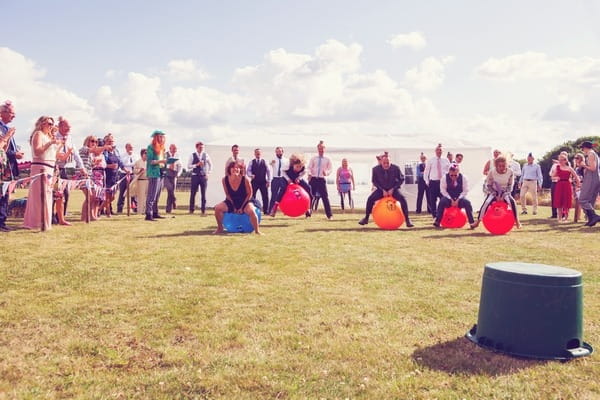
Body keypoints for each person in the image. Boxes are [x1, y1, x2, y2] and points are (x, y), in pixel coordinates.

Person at [22, 116, 67, 230]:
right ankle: (36, 222)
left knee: (47, 195)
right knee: (39, 196)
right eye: (48, 123)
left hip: (50, 167)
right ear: (41, 124)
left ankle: (45, 221)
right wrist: (51, 143)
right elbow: (37, 151)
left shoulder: (48, 136)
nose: (51, 126)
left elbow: (53, 154)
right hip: (41, 167)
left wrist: (60, 144)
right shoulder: (38, 134)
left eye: (52, 124)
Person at [358, 153, 414, 228]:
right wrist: (382, 190)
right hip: (381, 190)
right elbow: (374, 181)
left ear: (390, 162)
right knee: (370, 199)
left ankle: (407, 220)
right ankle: (366, 218)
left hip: (393, 189)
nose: (386, 165)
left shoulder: (396, 168)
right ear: (381, 162)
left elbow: (401, 179)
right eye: (384, 163)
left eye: (388, 163)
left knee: (403, 199)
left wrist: (393, 188)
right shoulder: (375, 169)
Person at [213, 161, 261, 235]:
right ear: (229, 169)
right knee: (217, 208)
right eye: (233, 167)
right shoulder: (224, 180)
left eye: (238, 168)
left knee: (251, 211)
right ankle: (220, 228)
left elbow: (250, 194)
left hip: (245, 200)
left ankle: (257, 231)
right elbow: (227, 194)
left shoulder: (245, 179)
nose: (235, 169)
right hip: (232, 200)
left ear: (240, 170)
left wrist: (242, 208)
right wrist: (234, 207)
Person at [473, 155, 521, 229]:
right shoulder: (492, 172)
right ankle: (478, 222)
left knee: (512, 202)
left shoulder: (510, 172)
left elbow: (510, 186)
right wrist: (495, 195)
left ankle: (517, 222)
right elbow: (488, 185)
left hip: (505, 192)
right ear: (496, 165)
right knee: (486, 203)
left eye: (503, 166)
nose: (501, 168)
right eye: (500, 166)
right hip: (494, 191)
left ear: (506, 165)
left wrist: (503, 196)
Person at [54, 117, 86, 220]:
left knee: (67, 192)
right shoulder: (54, 136)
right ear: (60, 126)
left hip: (69, 168)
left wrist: (82, 167)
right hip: (57, 168)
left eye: (69, 127)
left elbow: (75, 153)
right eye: (66, 126)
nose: (68, 129)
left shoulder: (70, 138)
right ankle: (52, 216)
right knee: (56, 192)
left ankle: (62, 215)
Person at [0, 100, 23, 232]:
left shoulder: (7, 128)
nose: (14, 116)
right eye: (12, 113)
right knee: (2, 194)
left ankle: (2, 221)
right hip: (3, 165)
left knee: (5, 194)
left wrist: (16, 151)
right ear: (2, 113)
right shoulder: (2, 128)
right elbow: (2, 147)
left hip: (9, 166)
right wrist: (14, 154)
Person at [433, 164, 477, 229]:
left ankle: (472, 222)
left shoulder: (464, 178)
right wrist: (451, 199)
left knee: (467, 203)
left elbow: (465, 190)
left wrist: (458, 200)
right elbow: (443, 191)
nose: (453, 177)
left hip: (460, 197)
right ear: (449, 172)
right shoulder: (444, 178)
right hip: (449, 198)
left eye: (455, 175)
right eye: (451, 175)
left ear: (458, 172)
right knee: (442, 202)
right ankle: (437, 221)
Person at [270, 153, 312, 218]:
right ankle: (275, 207)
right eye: (297, 166)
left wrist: (299, 178)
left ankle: (308, 209)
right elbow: (282, 172)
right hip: (286, 177)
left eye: (300, 166)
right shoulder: (287, 165)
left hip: (296, 177)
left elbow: (304, 172)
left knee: (308, 188)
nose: (298, 168)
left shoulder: (303, 167)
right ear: (293, 165)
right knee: (283, 188)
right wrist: (288, 179)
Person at [145, 130, 168, 221]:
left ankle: (155, 212)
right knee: (152, 194)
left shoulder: (162, 148)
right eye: (160, 136)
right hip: (154, 173)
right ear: (156, 137)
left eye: (163, 136)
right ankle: (148, 214)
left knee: (157, 194)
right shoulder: (150, 147)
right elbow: (151, 161)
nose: (162, 138)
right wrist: (162, 161)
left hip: (161, 172)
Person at [576, 141, 600, 226]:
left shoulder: (591, 154)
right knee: (590, 200)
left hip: (591, 178)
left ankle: (594, 216)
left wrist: (583, 165)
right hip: (595, 178)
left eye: (582, 148)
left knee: (582, 199)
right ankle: (591, 220)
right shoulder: (594, 154)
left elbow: (593, 168)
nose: (582, 150)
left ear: (585, 147)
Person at [308, 141, 333, 219]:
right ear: (317, 149)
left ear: (324, 149)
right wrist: (309, 174)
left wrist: (327, 173)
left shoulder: (327, 159)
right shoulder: (313, 158)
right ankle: (308, 214)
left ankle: (329, 215)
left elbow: (330, 169)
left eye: (322, 148)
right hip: (313, 179)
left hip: (321, 180)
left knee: (325, 197)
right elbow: (309, 167)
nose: (321, 150)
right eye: (319, 148)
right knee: (310, 197)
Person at [424, 143, 450, 218]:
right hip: (433, 182)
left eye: (440, 150)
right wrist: (427, 181)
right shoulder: (431, 160)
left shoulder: (446, 160)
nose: (439, 152)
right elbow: (426, 171)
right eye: (437, 150)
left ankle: (441, 214)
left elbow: (449, 171)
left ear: (442, 151)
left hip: (443, 182)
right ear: (435, 151)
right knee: (433, 200)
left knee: (443, 199)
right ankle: (434, 216)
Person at [552, 153, 580, 222]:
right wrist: (556, 177)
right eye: (559, 160)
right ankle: (560, 218)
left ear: (565, 160)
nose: (560, 161)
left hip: (567, 185)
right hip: (559, 185)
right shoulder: (557, 167)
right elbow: (552, 176)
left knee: (566, 201)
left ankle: (566, 218)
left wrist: (578, 185)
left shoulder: (569, 168)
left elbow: (576, 177)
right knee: (559, 201)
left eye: (562, 160)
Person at [101, 133, 122, 217]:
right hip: (106, 175)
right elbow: (101, 164)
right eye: (109, 141)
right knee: (107, 196)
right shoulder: (103, 152)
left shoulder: (116, 151)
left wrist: (125, 169)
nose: (111, 143)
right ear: (105, 142)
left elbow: (120, 162)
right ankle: (108, 212)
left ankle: (99, 209)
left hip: (115, 176)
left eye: (112, 141)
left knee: (112, 197)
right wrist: (110, 166)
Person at [188, 141, 212, 215]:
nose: (201, 148)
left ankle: (203, 209)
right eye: (200, 147)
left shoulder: (206, 155)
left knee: (203, 194)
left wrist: (208, 173)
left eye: (202, 147)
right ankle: (191, 209)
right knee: (193, 193)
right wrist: (196, 165)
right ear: (196, 147)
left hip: (203, 176)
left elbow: (211, 165)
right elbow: (188, 166)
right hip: (195, 175)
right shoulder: (192, 155)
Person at [247, 148, 271, 214]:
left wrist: (269, 181)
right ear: (254, 154)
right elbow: (248, 171)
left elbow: (269, 172)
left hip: (263, 181)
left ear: (261, 153)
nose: (258, 154)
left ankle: (266, 211)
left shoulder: (265, 161)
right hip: (254, 182)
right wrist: (250, 175)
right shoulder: (251, 162)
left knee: (265, 196)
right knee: (252, 196)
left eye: (259, 153)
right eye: (256, 153)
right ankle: (252, 210)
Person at [268, 146, 288, 214]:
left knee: (284, 195)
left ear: (282, 152)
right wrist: (272, 162)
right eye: (277, 151)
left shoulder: (286, 160)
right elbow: (270, 163)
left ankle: (285, 211)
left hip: (283, 179)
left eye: (280, 151)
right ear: (275, 152)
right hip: (275, 179)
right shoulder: (273, 159)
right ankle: (270, 210)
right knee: (274, 195)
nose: (278, 153)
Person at [117, 143, 135, 213]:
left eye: (132, 147)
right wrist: (130, 164)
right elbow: (123, 164)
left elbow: (136, 164)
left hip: (132, 175)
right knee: (122, 193)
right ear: (126, 148)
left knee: (133, 192)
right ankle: (119, 209)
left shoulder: (135, 156)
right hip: (124, 175)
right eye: (129, 147)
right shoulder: (122, 156)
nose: (131, 149)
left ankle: (134, 208)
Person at [164, 143, 182, 214]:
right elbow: (163, 164)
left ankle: (168, 209)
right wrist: (169, 166)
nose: (175, 150)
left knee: (170, 192)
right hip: (166, 174)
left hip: (174, 174)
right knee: (169, 188)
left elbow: (180, 165)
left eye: (176, 149)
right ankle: (174, 199)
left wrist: (178, 174)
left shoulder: (178, 155)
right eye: (173, 149)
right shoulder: (165, 154)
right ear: (170, 148)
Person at [132, 149, 148, 215]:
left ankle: (146, 210)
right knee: (141, 196)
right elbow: (134, 170)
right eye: (145, 153)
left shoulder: (149, 162)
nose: (146, 155)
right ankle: (140, 211)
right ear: (142, 154)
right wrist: (139, 170)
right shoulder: (138, 162)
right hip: (141, 181)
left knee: (147, 196)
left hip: (148, 180)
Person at [573, 153, 585, 222]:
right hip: (576, 186)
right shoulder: (576, 168)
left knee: (583, 202)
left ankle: (588, 216)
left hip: (583, 186)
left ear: (581, 159)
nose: (576, 159)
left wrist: (581, 184)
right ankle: (576, 218)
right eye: (575, 158)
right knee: (577, 201)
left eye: (577, 158)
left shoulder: (584, 167)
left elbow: (585, 177)